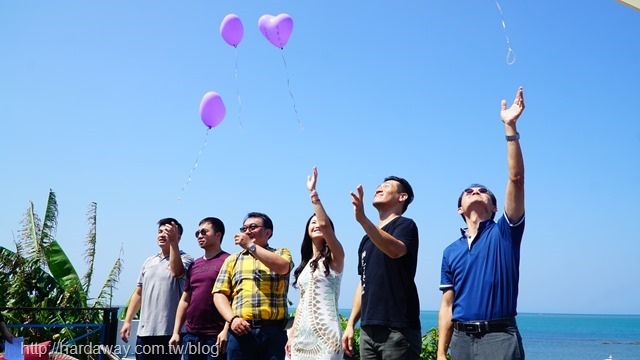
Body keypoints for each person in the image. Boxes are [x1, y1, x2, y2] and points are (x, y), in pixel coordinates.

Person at [437, 86, 526, 360]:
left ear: (496, 207)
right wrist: (441, 352)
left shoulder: (505, 233)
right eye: (469, 191)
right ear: (458, 208)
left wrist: (509, 127)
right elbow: (447, 304)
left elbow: (516, 179)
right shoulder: (450, 251)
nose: (476, 192)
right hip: (461, 340)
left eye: (483, 191)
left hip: (499, 337)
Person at [341, 176, 421, 359]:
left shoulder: (405, 225)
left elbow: (395, 250)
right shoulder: (366, 240)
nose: (379, 188)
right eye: (378, 186)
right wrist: (351, 323)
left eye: (386, 186)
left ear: (402, 197)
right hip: (368, 331)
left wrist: (362, 220)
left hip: (398, 329)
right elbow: (363, 283)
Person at [212, 212, 293, 360]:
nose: (247, 231)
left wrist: (250, 245)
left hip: (273, 331)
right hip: (240, 330)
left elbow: (283, 267)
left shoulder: (281, 253)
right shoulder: (232, 260)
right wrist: (233, 319)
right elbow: (219, 293)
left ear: (268, 232)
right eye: (244, 229)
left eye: (253, 227)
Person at [286, 167, 345, 360]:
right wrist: (291, 335)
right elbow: (302, 303)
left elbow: (325, 224)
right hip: (301, 335)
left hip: (326, 335)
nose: (317, 224)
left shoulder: (336, 257)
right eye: (312, 222)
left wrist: (313, 194)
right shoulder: (304, 265)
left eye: (319, 222)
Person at [120, 217, 194, 360]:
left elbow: (177, 272)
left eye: (167, 232)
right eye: (159, 231)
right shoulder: (149, 261)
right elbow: (138, 293)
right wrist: (127, 321)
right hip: (145, 333)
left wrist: (173, 245)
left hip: (170, 333)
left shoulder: (186, 259)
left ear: (178, 236)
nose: (161, 235)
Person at [169, 217, 230, 360]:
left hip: (216, 336)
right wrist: (176, 332)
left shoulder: (229, 261)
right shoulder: (195, 264)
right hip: (191, 335)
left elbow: (234, 299)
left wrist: (226, 330)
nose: (200, 236)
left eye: (204, 232)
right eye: (197, 233)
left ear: (218, 235)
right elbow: (185, 299)